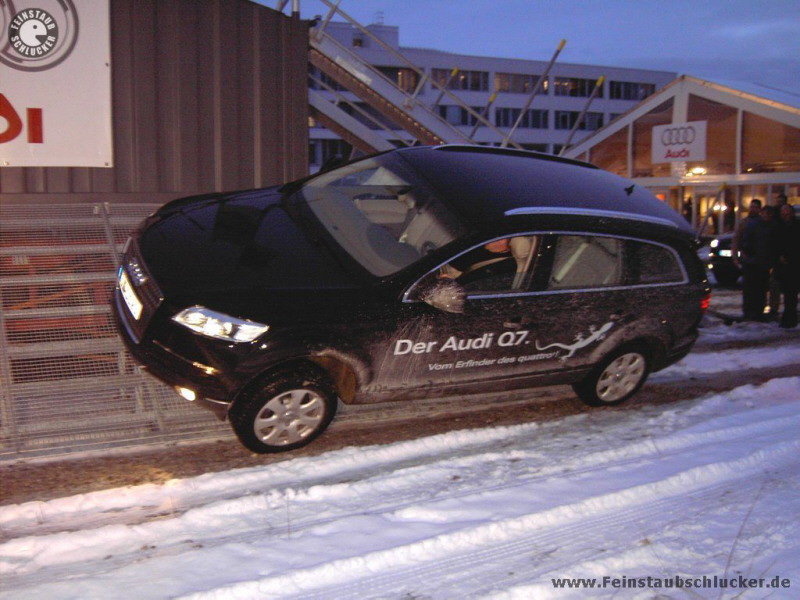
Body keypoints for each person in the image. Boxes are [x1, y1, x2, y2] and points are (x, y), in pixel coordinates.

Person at [740, 204, 776, 320]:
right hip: (753, 261)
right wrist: (749, 253)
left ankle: (758, 310)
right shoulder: (754, 225)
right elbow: (745, 240)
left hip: (763, 262)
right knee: (751, 287)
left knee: (761, 288)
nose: (767, 216)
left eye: (769, 214)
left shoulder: (772, 226)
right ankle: (749, 311)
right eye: (765, 213)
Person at [775, 204, 800, 328]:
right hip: (784, 265)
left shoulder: (796, 226)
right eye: (783, 213)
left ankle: (790, 317)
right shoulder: (778, 227)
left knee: (792, 292)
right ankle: (789, 317)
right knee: (788, 292)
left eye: (787, 213)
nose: (786, 216)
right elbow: (774, 243)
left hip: (795, 263)